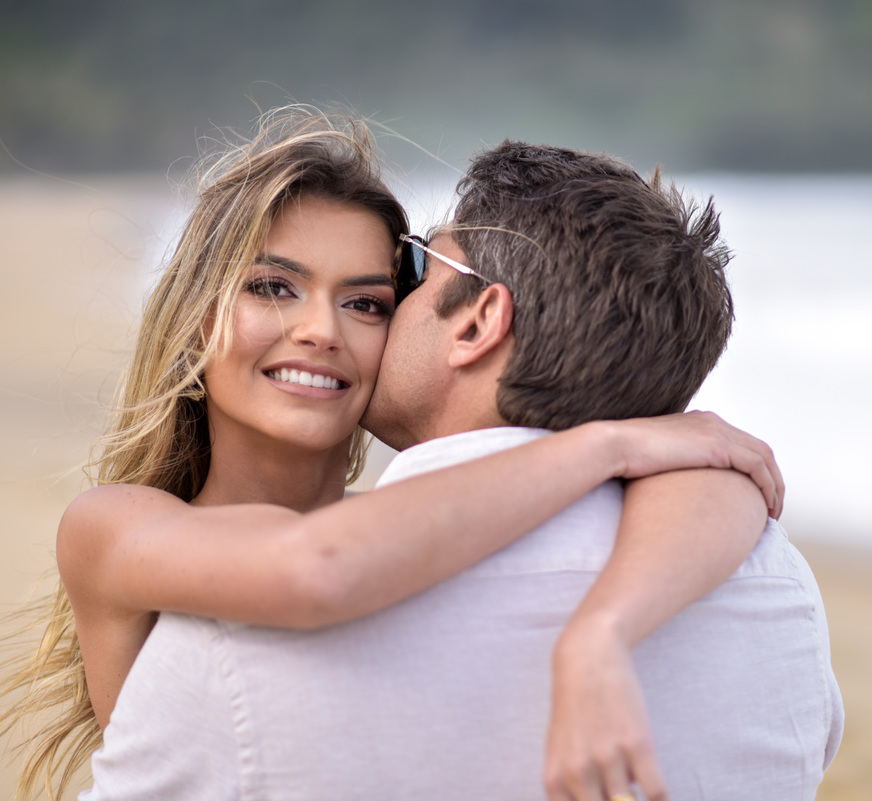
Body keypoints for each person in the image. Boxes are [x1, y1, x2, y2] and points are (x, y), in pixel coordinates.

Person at [0, 110, 785, 801]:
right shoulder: (113, 524)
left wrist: (614, 610)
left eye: (370, 302)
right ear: (199, 314)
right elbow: (315, 567)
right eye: (274, 287)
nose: (321, 329)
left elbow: (725, 486)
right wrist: (609, 441)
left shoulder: (408, 526)